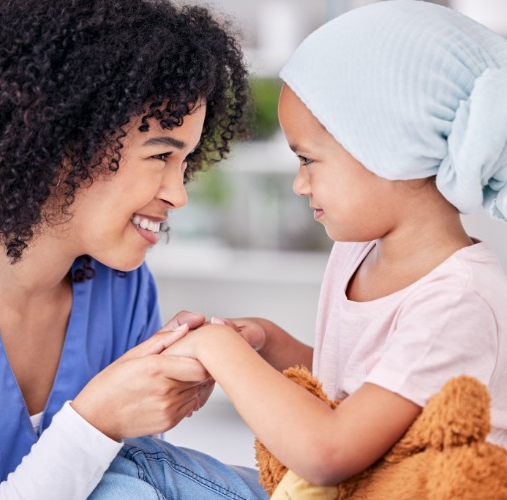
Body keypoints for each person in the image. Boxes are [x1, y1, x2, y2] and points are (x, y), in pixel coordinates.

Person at [0, 0, 268, 498]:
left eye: (185, 162)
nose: (178, 194)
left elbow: (121, 486)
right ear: (59, 142)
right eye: (161, 154)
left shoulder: (124, 289)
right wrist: (96, 419)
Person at [161, 0, 507, 490]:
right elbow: (361, 391)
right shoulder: (357, 252)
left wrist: (221, 351)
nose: (300, 184)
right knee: (143, 466)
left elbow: (331, 452)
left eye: (307, 159)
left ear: (388, 148)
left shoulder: (458, 301)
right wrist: (269, 343)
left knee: (150, 475)